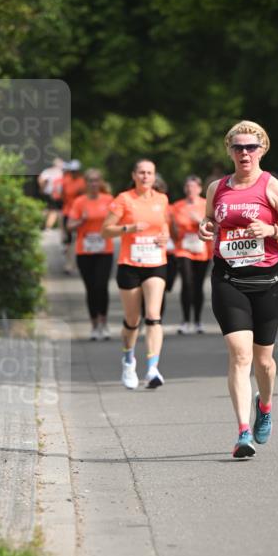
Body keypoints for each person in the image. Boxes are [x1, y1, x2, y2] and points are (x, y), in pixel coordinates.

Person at [198, 120, 278, 458]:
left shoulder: (271, 186)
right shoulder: (217, 188)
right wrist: (206, 228)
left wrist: (271, 229)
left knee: (264, 362)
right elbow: (210, 222)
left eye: (251, 147)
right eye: (238, 147)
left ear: (262, 150)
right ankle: (243, 432)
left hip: (267, 281)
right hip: (228, 279)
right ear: (229, 150)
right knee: (239, 355)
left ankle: (266, 405)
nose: (245, 153)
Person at [101, 158, 170, 390]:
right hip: (130, 264)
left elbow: (164, 226)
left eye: (149, 172)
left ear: (154, 175)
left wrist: (164, 237)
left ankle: (152, 368)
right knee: (133, 320)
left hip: (155, 262)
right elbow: (105, 231)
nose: (145, 176)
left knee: (153, 315)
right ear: (134, 175)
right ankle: (129, 359)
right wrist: (128, 228)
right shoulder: (123, 199)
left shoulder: (162, 199)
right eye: (141, 172)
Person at [67, 168, 114, 340]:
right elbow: (69, 226)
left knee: (102, 286)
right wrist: (82, 221)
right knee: (91, 288)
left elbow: (118, 220)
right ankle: (94, 325)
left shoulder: (109, 200)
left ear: (100, 183)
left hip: (104, 250)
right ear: (86, 184)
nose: (94, 184)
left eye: (96, 181)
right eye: (90, 181)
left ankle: (104, 322)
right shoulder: (79, 202)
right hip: (85, 250)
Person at [170, 175, 211, 334]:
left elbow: (215, 226)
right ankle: (185, 321)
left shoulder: (207, 205)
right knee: (187, 283)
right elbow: (172, 228)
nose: (190, 189)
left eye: (193, 187)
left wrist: (200, 219)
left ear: (200, 189)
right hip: (183, 249)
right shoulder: (177, 206)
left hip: (203, 249)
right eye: (188, 186)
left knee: (198, 285)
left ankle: (198, 321)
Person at [61, 161, 86, 274]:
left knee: (80, 238)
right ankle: (69, 264)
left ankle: (79, 263)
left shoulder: (82, 182)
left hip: (80, 214)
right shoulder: (66, 180)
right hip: (68, 212)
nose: (74, 173)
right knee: (68, 240)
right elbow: (62, 195)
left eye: (75, 171)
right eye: (72, 171)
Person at [38, 157, 64, 229]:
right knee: (54, 211)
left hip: (47, 193)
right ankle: (48, 226)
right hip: (54, 194)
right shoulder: (60, 173)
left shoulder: (47, 171)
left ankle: (40, 223)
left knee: (46, 209)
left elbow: (41, 180)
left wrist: (42, 189)